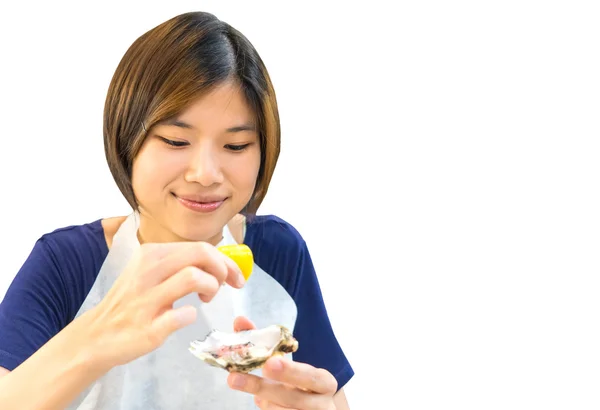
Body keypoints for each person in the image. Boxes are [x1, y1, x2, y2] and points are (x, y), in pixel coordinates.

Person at [0, 11, 353, 410]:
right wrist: (98, 338)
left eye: (235, 146)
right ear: (126, 138)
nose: (205, 174)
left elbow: (330, 396)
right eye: (175, 141)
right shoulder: (67, 263)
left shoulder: (278, 251)